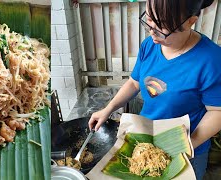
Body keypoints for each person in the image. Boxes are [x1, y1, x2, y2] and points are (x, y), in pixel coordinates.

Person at [88, 0, 220, 179]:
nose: (152, 32)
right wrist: (108, 108)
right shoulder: (149, 45)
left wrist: (187, 145)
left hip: (188, 149)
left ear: (190, 21)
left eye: (162, 27)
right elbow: (134, 83)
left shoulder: (211, 59)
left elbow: (217, 111)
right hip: (146, 139)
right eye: (149, 21)